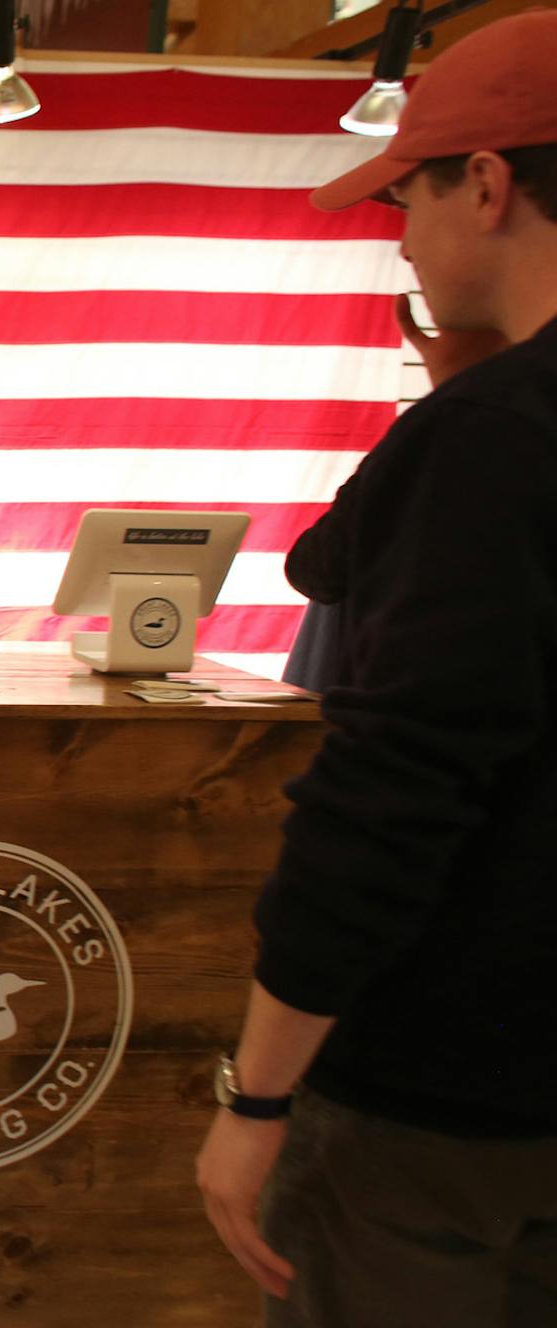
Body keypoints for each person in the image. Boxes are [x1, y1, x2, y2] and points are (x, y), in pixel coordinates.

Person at [194, 13, 557, 1326]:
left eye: (408, 194)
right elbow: (334, 560)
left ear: (488, 185)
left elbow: (391, 795)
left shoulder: (488, 441)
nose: (399, 237)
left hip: (441, 1101)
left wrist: (259, 1092)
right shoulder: (480, 426)